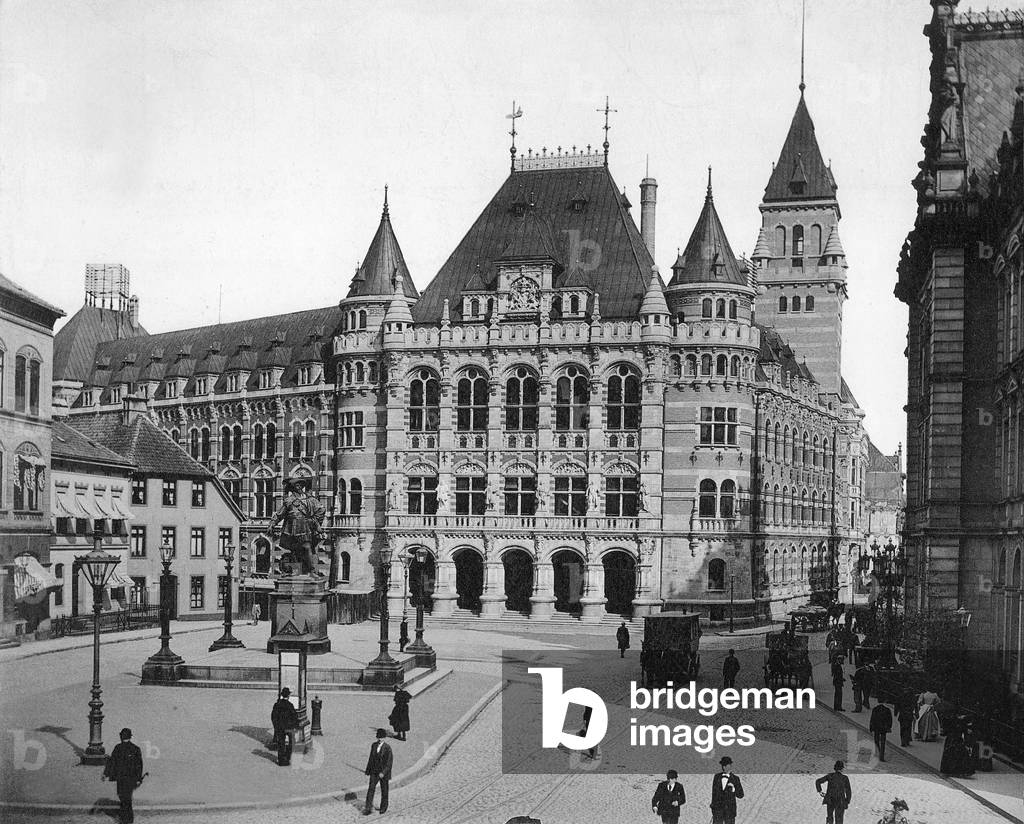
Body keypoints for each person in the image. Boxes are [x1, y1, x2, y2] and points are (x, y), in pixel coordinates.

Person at [267, 478, 326, 576]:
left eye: (301, 485)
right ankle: (296, 570)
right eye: (297, 486)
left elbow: (321, 509)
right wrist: (272, 523)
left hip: (305, 527)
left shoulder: (309, 499)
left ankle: (311, 571)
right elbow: (279, 514)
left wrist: (314, 520)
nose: (300, 487)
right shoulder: (289, 500)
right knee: (294, 549)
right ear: (293, 488)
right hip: (291, 528)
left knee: (307, 547)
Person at [103, 728, 144, 824]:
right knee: (127, 799)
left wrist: (106, 774)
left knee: (122, 798)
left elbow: (112, 762)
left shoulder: (118, 748)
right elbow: (139, 765)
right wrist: (138, 779)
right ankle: (128, 820)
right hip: (131, 779)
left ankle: (125, 820)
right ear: (130, 737)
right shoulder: (136, 749)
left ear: (121, 737)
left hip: (120, 779)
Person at [364, 728, 393, 815]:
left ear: (384, 738)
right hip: (374, 771)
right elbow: (371, 759)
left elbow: (389, 763)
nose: (380, 739)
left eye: (382, 738)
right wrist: (368, 770)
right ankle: (368, 807)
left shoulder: (388, 748)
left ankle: (383, 807)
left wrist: (383, 773)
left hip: (383, 773)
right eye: (379, 737)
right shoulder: (373, 745)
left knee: (384, 790)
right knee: (371, 789)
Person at [814, 760, 851, 824]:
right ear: (842, 769)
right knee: (839, 820)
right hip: (840, 801)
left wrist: (820, 791)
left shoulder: (830, 776)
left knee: (830, 818)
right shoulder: (845, 778)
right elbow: (848, 791)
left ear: (835, 768)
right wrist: (847, 801)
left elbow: (818, 781)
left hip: (830, 799)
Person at [709, 756, 744, 824]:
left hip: (730, 812)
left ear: (730, 766)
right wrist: (713, 808)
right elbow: (714, 793)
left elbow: (741, 795)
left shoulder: (735, 779)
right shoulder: (716, 777)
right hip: (718, 811)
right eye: (723, 765)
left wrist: (734, 789)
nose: (724, 767)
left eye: (726, 765)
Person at [271, 687, 299, 766]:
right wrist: (295, 726)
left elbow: (273, 716)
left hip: (280, 727)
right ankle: (287, 757)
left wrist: (276, 726)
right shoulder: (290, 705)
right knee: (291, 742)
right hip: (289, 727)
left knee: (281, 743)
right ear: (288, 696)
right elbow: (294, 716)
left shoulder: (277, 704)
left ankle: (281, 760)